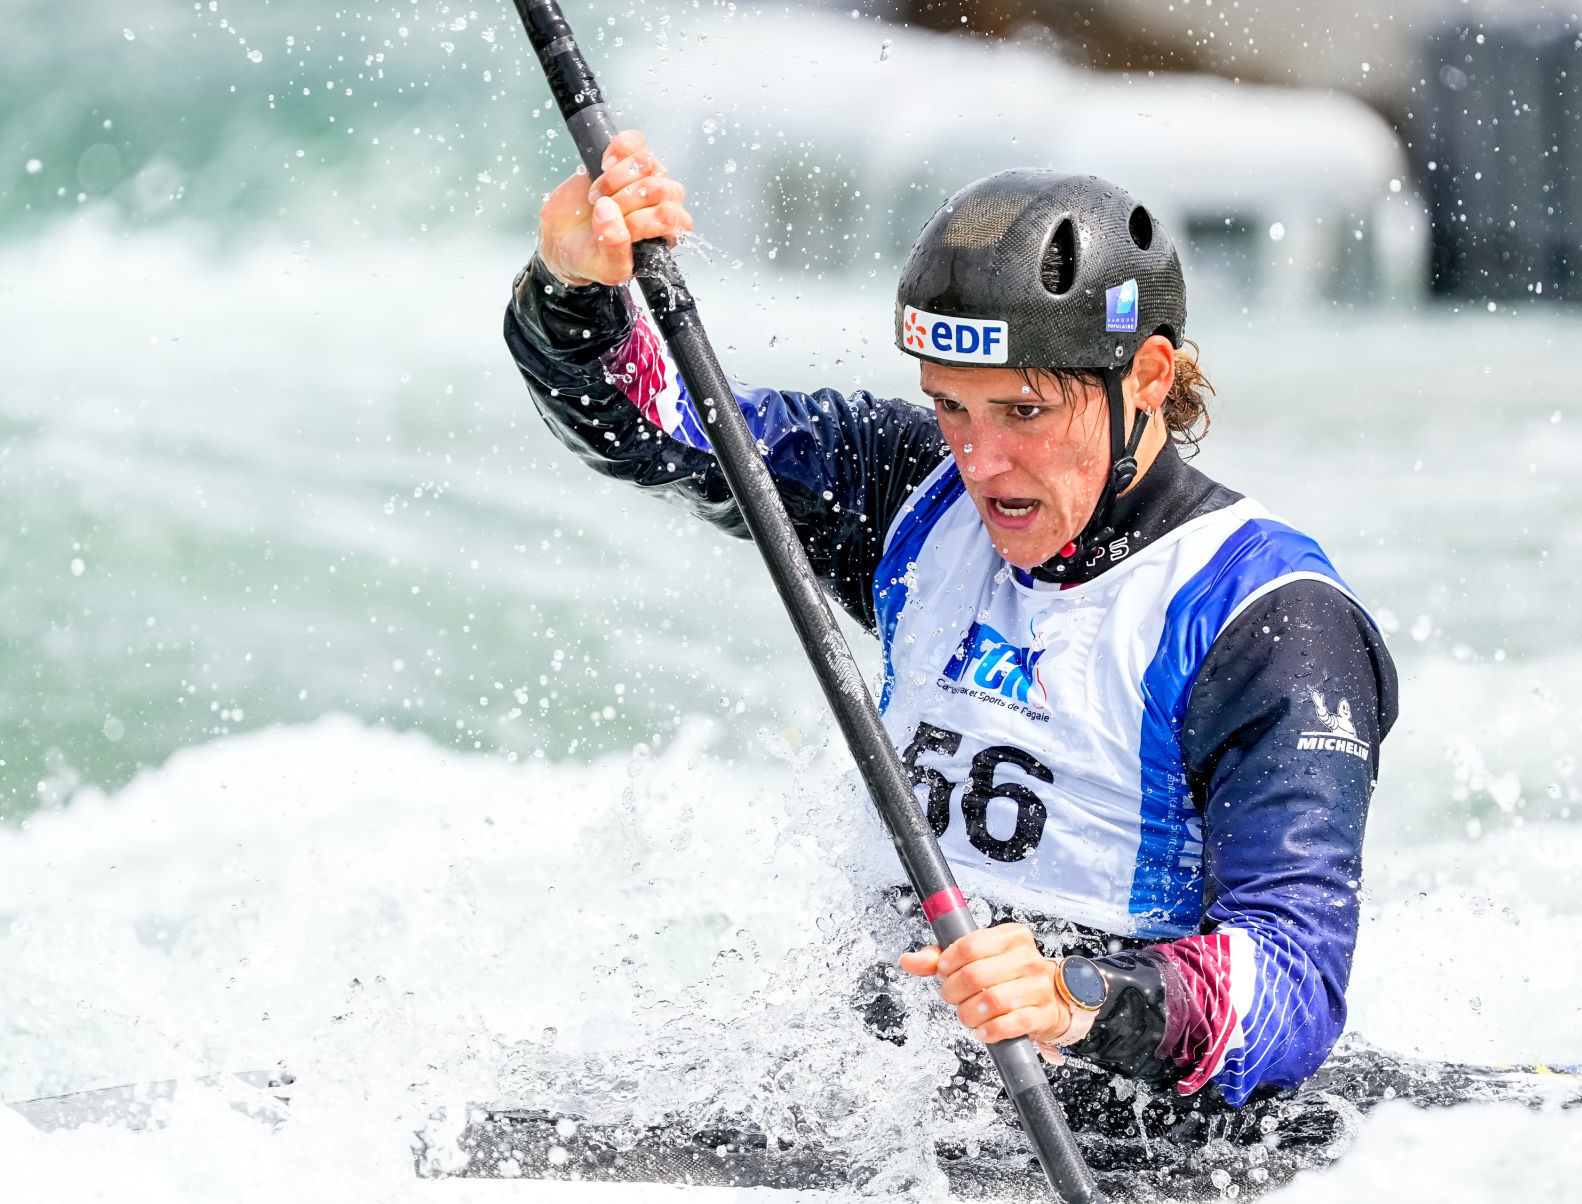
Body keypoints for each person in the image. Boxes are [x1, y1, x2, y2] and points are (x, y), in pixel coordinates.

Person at [505, 132, 1397, 1125]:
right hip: (891, 1090)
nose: (980, 460)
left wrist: (1077, 998)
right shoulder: (910, 499)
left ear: (1145, 375)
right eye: (949, 408)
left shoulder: (1269, 621)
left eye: (1023, 410)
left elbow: (1291, 977)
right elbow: (658, 425)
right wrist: (574, 288)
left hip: (1122, 1114)